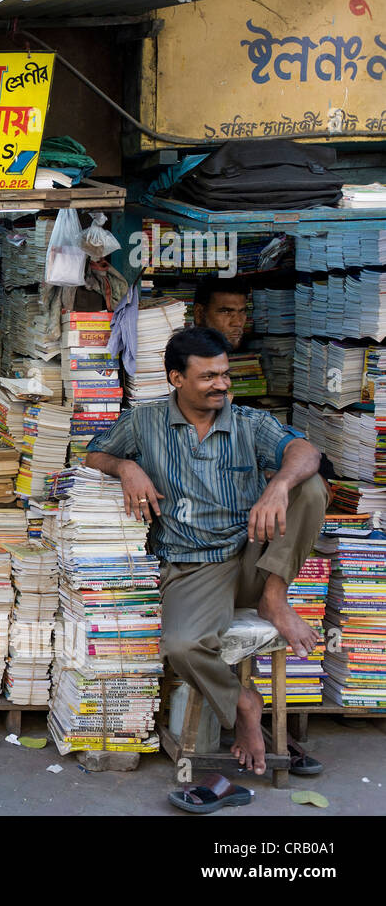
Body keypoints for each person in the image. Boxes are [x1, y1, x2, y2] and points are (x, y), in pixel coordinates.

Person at [84, 327, 326, 778]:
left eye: (225, 374)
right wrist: (126, 466)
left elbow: (305, 451)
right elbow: (93, 453)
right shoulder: (145, 422)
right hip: (194, 563)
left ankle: (275, 598)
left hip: (256, 556)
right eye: (209, 376)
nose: (222, 384)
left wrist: (278, 484)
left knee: (309, 485)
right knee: (180, 644)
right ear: (176, 378)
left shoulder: (249, 422)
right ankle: (243, 703)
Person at [192, 276, 249, 349]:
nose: (238, 323)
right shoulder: (181, 353)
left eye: (242, 311)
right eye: (226, 312)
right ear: (199, 313)